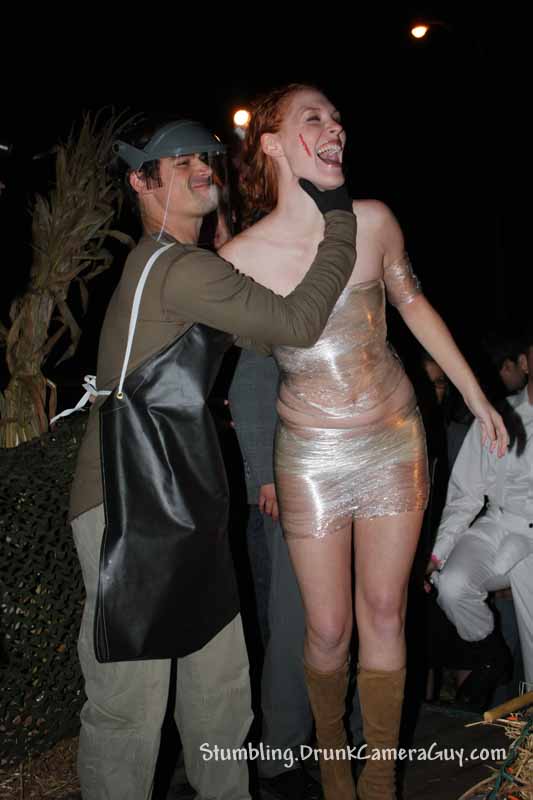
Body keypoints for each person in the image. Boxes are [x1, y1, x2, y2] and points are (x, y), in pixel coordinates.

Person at [220, 84, 508, 800]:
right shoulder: (240, 257)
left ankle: (377, 780)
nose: (335, 128)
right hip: (310, 458)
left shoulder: (373, 221)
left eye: (338, 119)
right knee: (326, 629)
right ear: (272, 143)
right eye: (313, 118)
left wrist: (478, 396)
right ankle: (332, 764)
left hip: (393, 442)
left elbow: (413, 304)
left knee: (385, 611)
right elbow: (225, 361)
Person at [67, 116, 357, 800]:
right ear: (141, 182)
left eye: (205, 158)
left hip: (181, 499)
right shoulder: (177, 267)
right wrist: (340, 220)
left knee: (220, 693)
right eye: (179, 162)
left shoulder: (183, 266)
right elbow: (297, 323)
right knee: (130, 706)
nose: (202, 167)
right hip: (130, 506)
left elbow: (255, 340)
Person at [229, 348, 363, 800]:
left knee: (347, 624)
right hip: (299, 487)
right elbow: (250, 379)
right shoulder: (288, 313)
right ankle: (280, 756)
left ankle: (351, 741)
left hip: (354, 484)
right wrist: (268, 478)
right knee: (295, 625)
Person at [428, 329, 533, 708]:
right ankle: (489, 655)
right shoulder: (498, 414)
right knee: (452, 585)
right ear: (525, 362)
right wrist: (436, 554)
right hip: (498, 524)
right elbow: (465, 494)